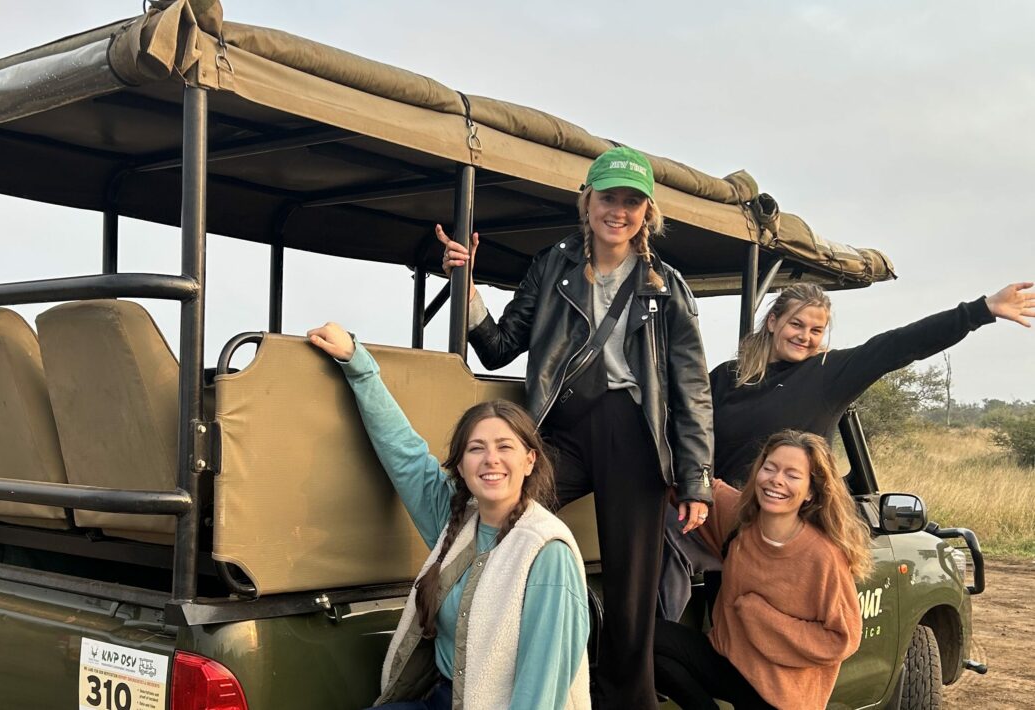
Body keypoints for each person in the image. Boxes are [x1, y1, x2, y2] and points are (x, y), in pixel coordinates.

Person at [440, 145, 714, 709]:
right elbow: (499, 348)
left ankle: (628, 702)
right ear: (587, 201)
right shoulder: (553, 263)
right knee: (503, 522)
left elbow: (690, 387)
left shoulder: (665, 285)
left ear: (647, 212)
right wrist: (466, 288)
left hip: (634, 434)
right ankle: (486, 662)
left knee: (633, 589)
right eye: (609, 197)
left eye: (632, 202)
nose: (619, 210)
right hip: (560, 426)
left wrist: (696, 480)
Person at [306, 322, 591, 710]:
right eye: (476, 449)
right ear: (461, 465)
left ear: (529, 460)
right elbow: (403, 454)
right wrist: (358, 363)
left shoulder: (545, 551)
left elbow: (540, 689)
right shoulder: (456, 521)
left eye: (504, 446)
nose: (491, 459)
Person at [712, 281, 1035, 486]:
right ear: (773, 322)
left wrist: (980, 311)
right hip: (718, 517)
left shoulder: (828, 373)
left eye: (815, 330)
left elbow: (897, 345)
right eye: (796, 324)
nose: (804, 337)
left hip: (787, 520)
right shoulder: (727, 377)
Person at [653, 430, 870, 710]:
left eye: (792, 475)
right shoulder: (739, 520)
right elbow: (693, 484)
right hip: (728, 661)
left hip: (779, 692)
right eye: (770, 468)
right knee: (641, 638)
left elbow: (842, 638)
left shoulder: (823, 556)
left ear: (810, 493)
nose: (777, 480)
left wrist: (759, 616)